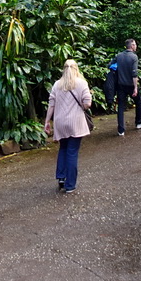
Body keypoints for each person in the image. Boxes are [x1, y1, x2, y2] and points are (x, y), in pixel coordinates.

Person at [43, 59, 92, 194]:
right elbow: (87, 104)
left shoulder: (57, 84)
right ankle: (70, 185)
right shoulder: (82, 83)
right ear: (76, 69)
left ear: (64, 69)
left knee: (63, 148)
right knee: (72, 152)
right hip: (75, 122)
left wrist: (47, 122)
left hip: (60, 122)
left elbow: (51, 104)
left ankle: (61, 178)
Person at [115, 39, 141, 135]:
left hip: (121, 85)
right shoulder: (134, 57)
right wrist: (135, 88)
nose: (136, 46)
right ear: (132, 46)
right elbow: (134, 74)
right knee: (138, 102)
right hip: (130, 85)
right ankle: (139, 122)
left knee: (121, 106)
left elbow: (110, 65)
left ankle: (121, 130)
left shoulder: (119, 55)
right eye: (135, 44)